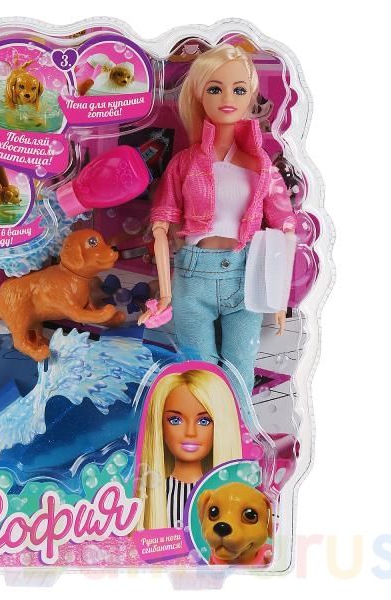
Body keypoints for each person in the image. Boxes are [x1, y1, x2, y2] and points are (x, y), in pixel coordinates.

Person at [139, 44, 296, 397]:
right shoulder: (185, 162)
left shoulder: (262, 166)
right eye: (215, 88)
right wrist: (165, 293)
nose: (227, 98)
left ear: (251, 96)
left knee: (241, 368)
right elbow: (161, 226)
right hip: (193, 277)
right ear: (199, 94)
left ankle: (240, 427)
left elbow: (285, 229)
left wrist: (279, 296)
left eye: (239, 90)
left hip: (246, 277)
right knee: (198, 370)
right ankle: (209, 428)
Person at [135, 369, 242, 530]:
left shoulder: (230, 497)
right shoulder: (152, 496)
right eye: (175, 420)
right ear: (160, 425)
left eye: (204, 421)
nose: (190, 432)